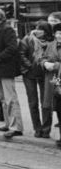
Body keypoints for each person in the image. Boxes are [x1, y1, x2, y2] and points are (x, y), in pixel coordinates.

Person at [0, 8, 24, 139]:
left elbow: (12, 47)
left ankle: (16, 127)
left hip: (5, 68)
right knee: (3, 98)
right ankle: (8, 124)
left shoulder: (7, 29)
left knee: (10, 98)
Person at [20, 21, 53, 138]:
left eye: (41, 29)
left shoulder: (51, 42)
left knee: (46, 103)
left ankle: (46, 129)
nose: (38, 31)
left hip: (45, 74)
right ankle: (37, 129)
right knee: (33, 102)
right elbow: (21, 54)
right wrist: (30, 66)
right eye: (37, 28)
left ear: (47, 32)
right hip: (29, 74)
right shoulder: (28, 39)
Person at [40, 13, 61, 147]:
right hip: (51, 80)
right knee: (56, 107)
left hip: (59, 79)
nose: (58, 36)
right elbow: (42, 57)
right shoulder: (51, 45)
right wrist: (44, 64)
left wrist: (56, 65)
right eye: (57, 33)